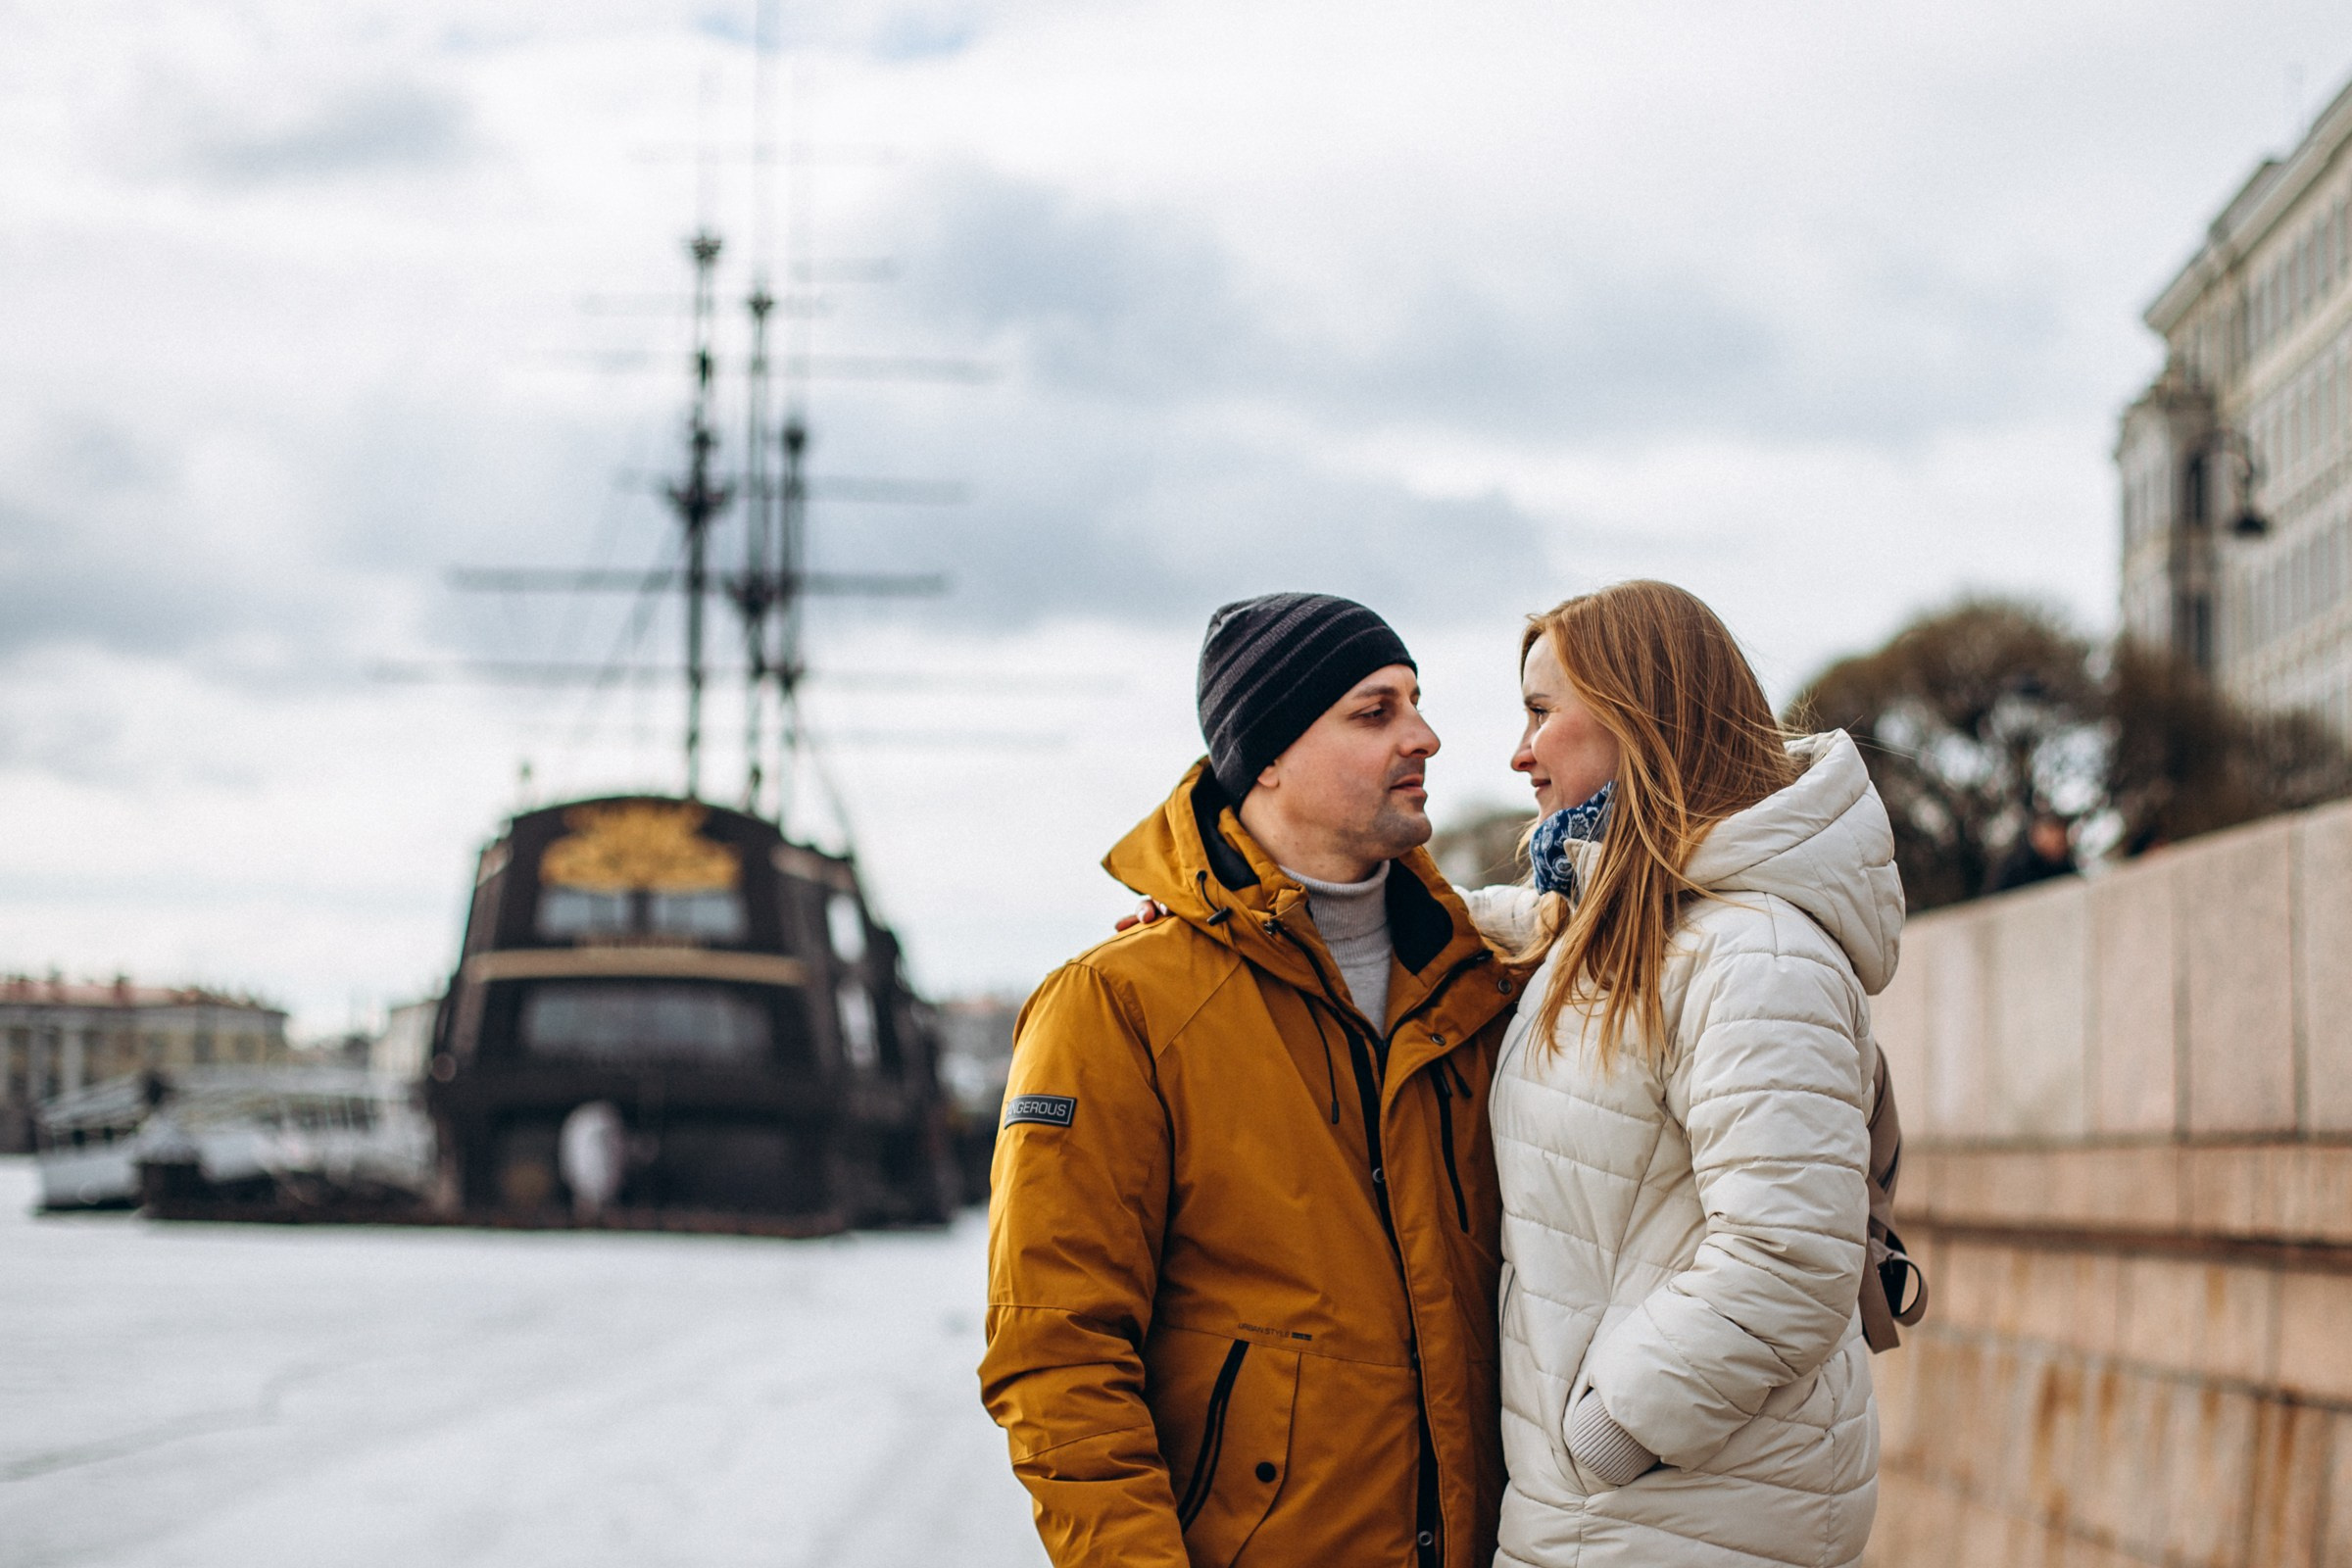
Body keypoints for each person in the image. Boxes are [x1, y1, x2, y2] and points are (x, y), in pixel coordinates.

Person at [980, 592, 1524, 1568]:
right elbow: (1057, 1356)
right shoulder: (1115, 1007)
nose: (1426, 737)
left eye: (1416, 702)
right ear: (1268, 756)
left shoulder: (1483, 987)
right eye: (1376, 712)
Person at [1460, 580, 1900, 1568]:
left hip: (1678, 1515)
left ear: (1635, 715)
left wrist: (1610, 1429)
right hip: (1632, 1515)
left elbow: (1788, 1256)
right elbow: (1504, 921)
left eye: (1540, 712)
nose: (1518, 753)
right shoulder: (1625, 929)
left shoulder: (1753, 953)